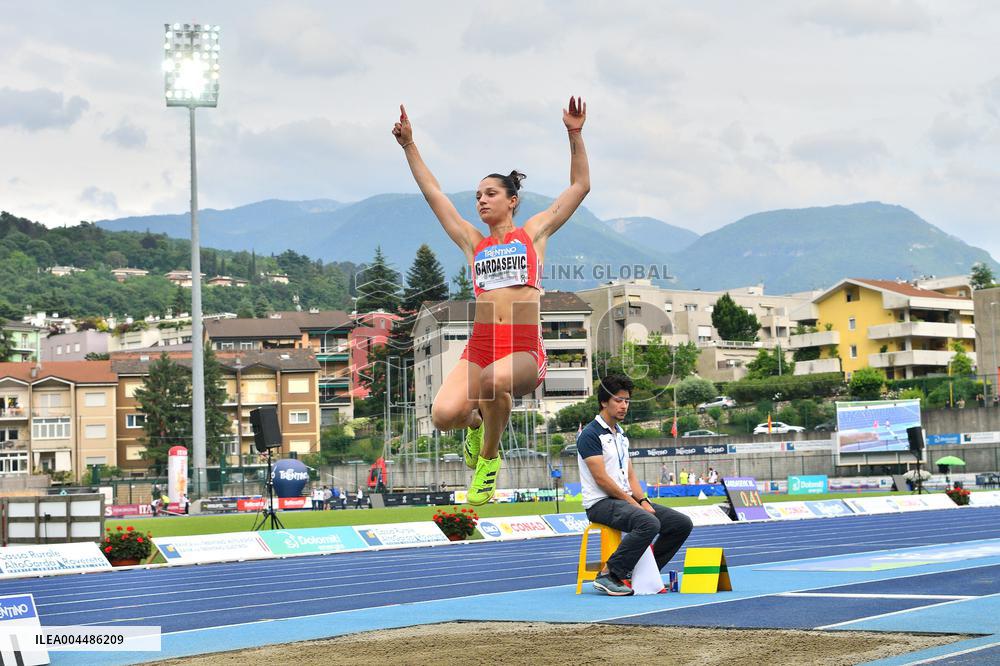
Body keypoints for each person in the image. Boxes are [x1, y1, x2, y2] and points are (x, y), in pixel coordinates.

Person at [393, 97, 590, 506]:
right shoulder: (473, 243)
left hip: (522, 347)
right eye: (477, 196)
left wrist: (575, 133)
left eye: (490, 193)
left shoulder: (533, 233)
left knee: (494, 381)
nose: (481, 200)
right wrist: (410, 145)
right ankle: (475, 425)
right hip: (482, 345)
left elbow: (579, 187)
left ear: (511, 200)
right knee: (444, 416)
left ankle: (488, 462)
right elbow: (434, 195)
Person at [578, 375, 694, 596]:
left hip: (625, 501)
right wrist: (634, 503)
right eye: (619, 400)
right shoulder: (590, 435)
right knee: (648, 522)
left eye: (627, 401)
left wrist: (643, 500)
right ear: (604, 402)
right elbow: (602, 479)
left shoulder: (621, 435)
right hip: (600, 503)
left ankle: (642, 574)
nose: (624, 406)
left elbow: (630, 476)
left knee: (681, 523)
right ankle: (609, 574)